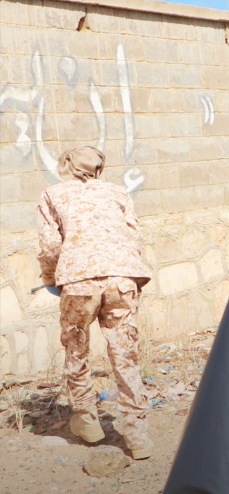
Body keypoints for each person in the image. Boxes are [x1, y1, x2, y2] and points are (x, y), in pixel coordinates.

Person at [37, 147, 153, 460]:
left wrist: (50, 279)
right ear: (99, 168)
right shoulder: (118, 192)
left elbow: (50, 244)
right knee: (125, 354)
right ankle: (138, 437)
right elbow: (135, 237)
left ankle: (87, 419)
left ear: (67, 165)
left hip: (78, 281)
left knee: (76, 347)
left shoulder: (52, 194)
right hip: (122, 279)